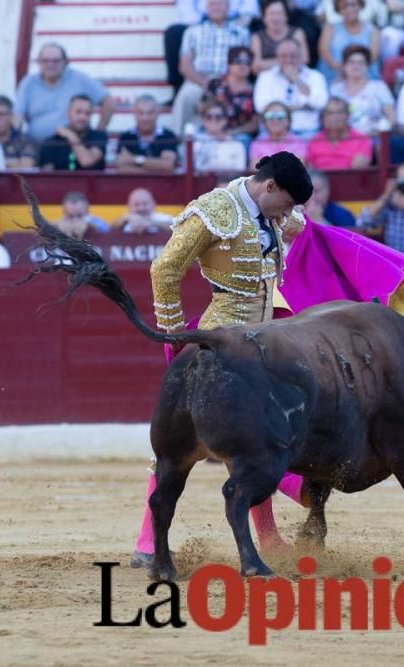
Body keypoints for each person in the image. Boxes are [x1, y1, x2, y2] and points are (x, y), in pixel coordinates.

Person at [131, 152, 315, 568]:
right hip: (223, 342)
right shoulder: (214, 210)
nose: (289, 213)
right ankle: (146, 543)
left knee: (261, 444)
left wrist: (296, 223)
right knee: (175, 445)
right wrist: (174, 334)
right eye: (286, 202)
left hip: (265, 343)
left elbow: (292, 229)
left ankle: (268, 537)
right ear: (269, 186)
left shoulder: (270, 211)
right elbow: (165, 269)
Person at [172, 0, 251, 137]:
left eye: (221, 4)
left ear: (228, 7)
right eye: (213, 4)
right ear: (207, 8)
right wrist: (206, 83)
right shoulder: (192, 31)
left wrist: (228, 83)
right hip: (200, 79)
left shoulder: (241, 32)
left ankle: (234, 139)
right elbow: (184, 66)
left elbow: (246, 62)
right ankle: (179, 141)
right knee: (186, 96)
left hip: (231, 80)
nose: (217, 7)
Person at [15, 43, 114, 143]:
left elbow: (108, 102)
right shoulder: (28, 83)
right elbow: (17, 116)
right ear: (38, 62)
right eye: (45, 61)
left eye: (56, 61)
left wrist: (99, 132)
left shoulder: (79, 79)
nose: (50, 65)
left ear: (65, 62)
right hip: (36, 146)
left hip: (71, 146)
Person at [254, 38, 330, 135]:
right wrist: (303, 105)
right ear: (277, 57)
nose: (288, 60)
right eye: (283, 56)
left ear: (301, 56)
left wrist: (297, 80)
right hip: (273, 134)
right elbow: (261, 106)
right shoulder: (265, 77)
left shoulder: (315, 76)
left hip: (307, 132)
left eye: (293, 56)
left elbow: (320, 103)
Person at [329, 44, 395, 136]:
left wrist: (377, 133)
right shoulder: (335, 90)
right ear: (344, 66)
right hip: (343, 140)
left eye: (361, 63)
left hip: (373, 138)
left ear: (367, 66)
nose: (356, 66)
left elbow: (391, 118)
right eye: (351, 62)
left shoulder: (379, 87)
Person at [206, 46, 260, 146]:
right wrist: (216, 131)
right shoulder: (215, 84)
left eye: (247, 62)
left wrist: (231, 133)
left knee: (242, 140)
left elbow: (255, 124)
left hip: (241, 135)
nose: (242, 65)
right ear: (229, 64)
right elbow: (205, 111)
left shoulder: (256, 88)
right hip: (213, 130)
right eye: (238, 61)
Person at [38, 95, 109, 171]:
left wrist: (71, 136)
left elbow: (86, 161)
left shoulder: (99, 137)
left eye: (87, 113)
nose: (82, 117)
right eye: (78, 112)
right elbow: (47, 178)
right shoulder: (52, 142)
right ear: (68, 112)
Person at [318, 0, 381, 82]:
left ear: (360, 5)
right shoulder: (329, 28)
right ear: (339, 9)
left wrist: (354, 71)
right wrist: (341, 69)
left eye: (353, 4)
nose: (349, 9)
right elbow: (324, 51)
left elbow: (373, 56)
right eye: (344, 6)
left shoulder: (373, 30)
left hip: (364, 76)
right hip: (334, 75)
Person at [115, 96, 181, 174]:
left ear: (157, 113)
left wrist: (134, 159)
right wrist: (156, 167)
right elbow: (121, 169)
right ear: (135, 114)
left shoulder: (168, 135)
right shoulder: (125, 137)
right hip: (132, 185)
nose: (145, 118)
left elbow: (168, 165)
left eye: (150, 113)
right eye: (141, 113)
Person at [306, 97, 374, 169]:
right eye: (330, 113)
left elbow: (357, 171)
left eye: (339, 112)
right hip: (319, 179)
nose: (335, 117)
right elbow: (310, 171)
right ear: (324, 117)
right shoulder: (314, 141)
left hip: (348, 179)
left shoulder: (362, 140)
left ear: (348, 115)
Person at [250, 0, 311, 75]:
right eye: (271, 13)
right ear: (264, 17)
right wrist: (290, 62)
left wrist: (266, 63)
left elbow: (304, 60)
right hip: (267, 81)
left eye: (279, 13)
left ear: (286, 16)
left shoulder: (297, 33)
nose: (276, 18)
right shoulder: (257, 37)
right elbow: (255, 67)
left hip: (295, 76)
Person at [192, 98, 249, 171]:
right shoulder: (195, 143)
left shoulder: (237, 145)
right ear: (202, 120)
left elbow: (240, 172)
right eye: (209, 117)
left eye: (218, 117)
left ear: (225, 120)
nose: (213, 120)